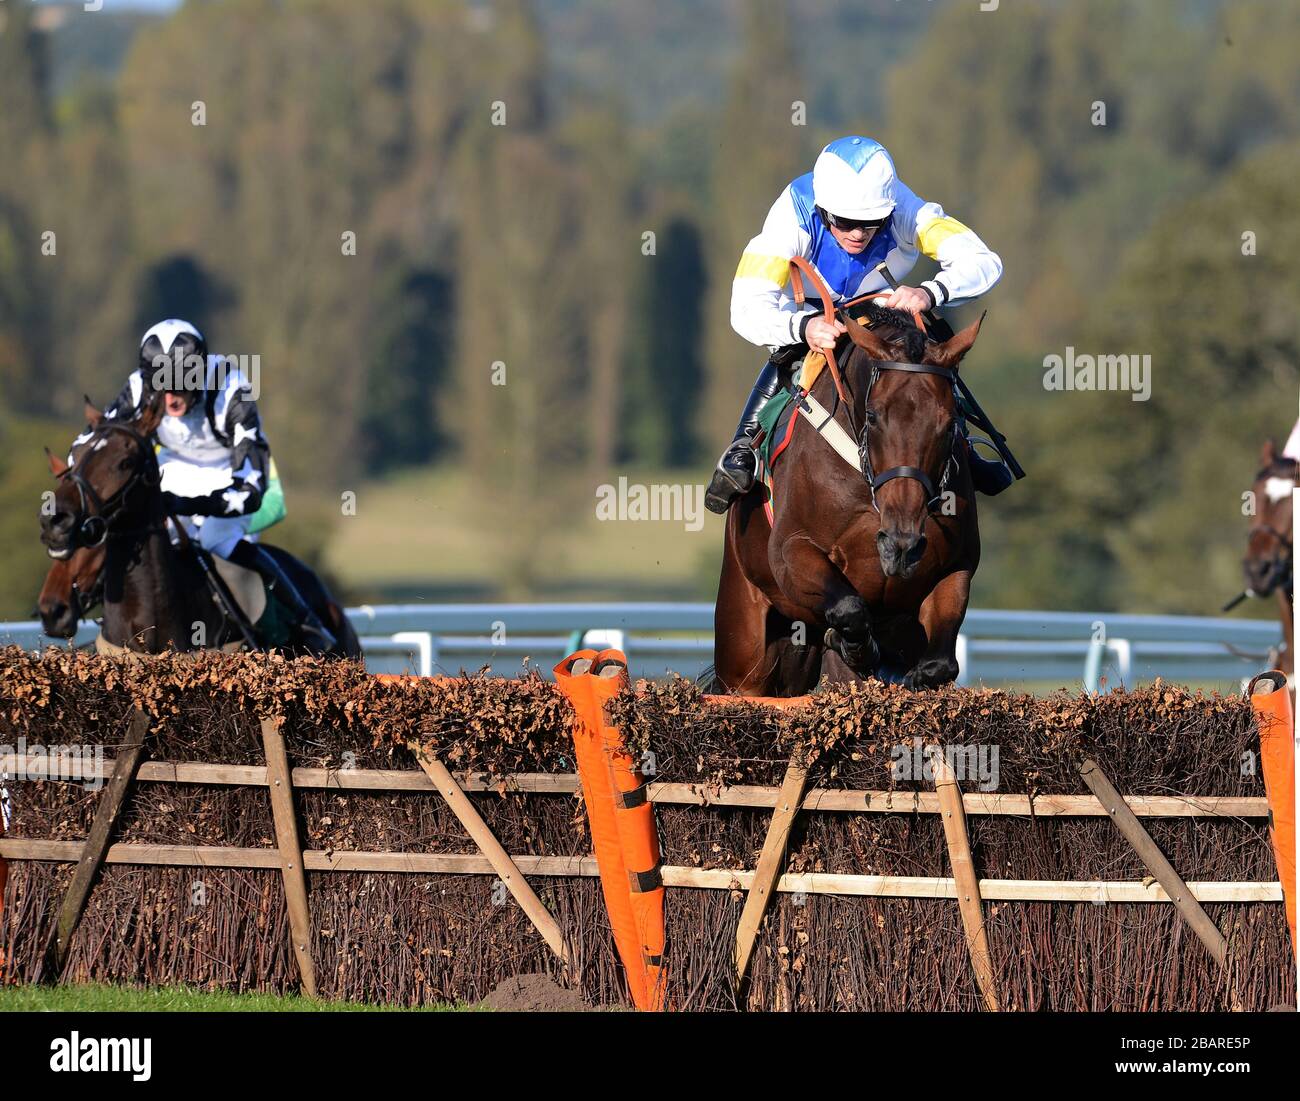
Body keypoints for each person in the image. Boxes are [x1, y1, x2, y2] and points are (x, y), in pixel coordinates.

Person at [706, 135, 1009, 513]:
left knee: (924, 352)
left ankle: (961, 444)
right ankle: (743, 447)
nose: (858, 234)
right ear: (823, 210)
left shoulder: (906, 208)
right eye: (846, 222)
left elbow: (984, 260)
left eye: (871, 223)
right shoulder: (791, 216)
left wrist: (930, 292)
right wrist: (803, 327)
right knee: (792, 354)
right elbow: (746, 306)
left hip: (881, 307)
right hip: (811, 313)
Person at [85, 319, 337, 648]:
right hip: (171, 469)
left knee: (218, 540)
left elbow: (251, 491)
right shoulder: (138, 387)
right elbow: (96, 440)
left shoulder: (232, 390)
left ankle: (301, 624)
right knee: (145, 539)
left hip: (230, 476)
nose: (171, 399)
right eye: (163, 387)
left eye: (179, 387)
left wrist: (187, 504)